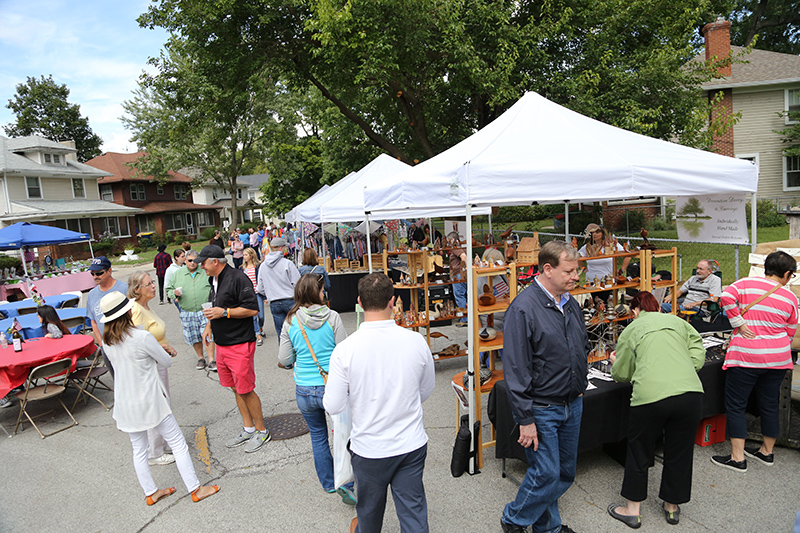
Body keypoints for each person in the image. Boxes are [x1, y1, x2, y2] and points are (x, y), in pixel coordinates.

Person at [324, 273, 435, 533]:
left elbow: (333, 405)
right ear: (393, 301)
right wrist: (402, 403)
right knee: (413, 512)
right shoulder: (416, 341)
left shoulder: (345, 350)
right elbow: (426, 388)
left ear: (359, 303)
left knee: (369, 515)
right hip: (410, 442)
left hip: (369, 447)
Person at [98, 291, 219, 506]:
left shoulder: (107, 343)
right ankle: (196, 489)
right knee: (178, 443)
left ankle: (151, 492)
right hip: (149, 400)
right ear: (128, 312)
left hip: (125, 403)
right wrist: (162, 349)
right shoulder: (141, 336)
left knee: (139, 449)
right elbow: (166, 361)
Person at [500, 240, 588, 533]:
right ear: (547, 269)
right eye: (570, 271)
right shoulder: (523, 309)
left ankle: (548, 527)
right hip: (542, 407)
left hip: (572, 403)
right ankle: (513, 519)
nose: (576, 276)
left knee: (564, 472)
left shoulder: (570, 303)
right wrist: (525, 419)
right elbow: (515, 368)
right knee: (547, 473)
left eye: (577, 270)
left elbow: (579, 344)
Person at [606, 291, 705, 528]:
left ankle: (632, 510)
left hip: (651, 397)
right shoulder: (677, 321)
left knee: (639, 449)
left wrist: (613, 363)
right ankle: (672, 506)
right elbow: (698, 351)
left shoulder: (633, 328)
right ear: (659, 308)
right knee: (680, 451)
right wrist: (682, 368)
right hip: (689, 393)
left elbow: (622, 373)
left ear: (635, 312)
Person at [711, 251, 799, 472]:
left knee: (736, 404)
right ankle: (766, 452)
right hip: (778, 360)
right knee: (770, 404)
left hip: (746, 357)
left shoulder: (745, 283)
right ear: (787, 274)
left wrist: (739, 322)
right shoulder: (790, 298)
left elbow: (726, 297)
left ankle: (737, 457)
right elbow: (790, 330)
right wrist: (776, 345)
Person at [278, 274, 356, 505]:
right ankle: (348, 483)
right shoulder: (332, 317)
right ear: (316, 292)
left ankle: (328, 483)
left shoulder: (291, 320)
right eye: (322, 291)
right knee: (342, 435)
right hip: (331, 386)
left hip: (304, 387)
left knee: (318, 435)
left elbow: (284, 358)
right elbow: (343, 352)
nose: (324, 294)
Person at [198, 245, 270, 453]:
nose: (201, 266)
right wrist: (209, 325)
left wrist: (225, 313)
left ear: (215, 261)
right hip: (222, 342)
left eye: (203, 262)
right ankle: (248, 428)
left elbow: (252, 309)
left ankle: (261, 431)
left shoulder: (238, 278)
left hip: (240, 342)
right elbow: (215, 307)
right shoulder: (214, 279)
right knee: (235, 388)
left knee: (245, 389)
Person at [128, 271, 179, 467]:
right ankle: (154, 451)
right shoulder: (136, 310)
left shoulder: (145, 307)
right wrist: (162, 349)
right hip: (151, 365)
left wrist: (164, 348)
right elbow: (137, 342)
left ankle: (161, 444)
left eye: (151, 283)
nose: (153, 287)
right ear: (137, 290)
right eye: (148, 284)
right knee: (157, 406)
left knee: (163, 403)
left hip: (158, 360)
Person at [167, 249, 217, 371]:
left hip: (205, 310)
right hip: (187, 311)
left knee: (208, 335)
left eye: (195, 261)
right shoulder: (178, 274)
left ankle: (211, 360)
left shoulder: (205, 271)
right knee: (194, 336)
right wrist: (174, 293)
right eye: (189, 260)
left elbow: (215, 286)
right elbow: (168, 290)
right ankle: (200, 358)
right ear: (185, 260)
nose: (192, 263)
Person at [87, 256, 128, 376]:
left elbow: (134, 314)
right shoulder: (92, 294)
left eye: (99, 273)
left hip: (125, 341)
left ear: (109, 271)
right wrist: (101, 343)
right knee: (117, 378)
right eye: (92, 274)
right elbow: (93, 321)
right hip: (106, 344)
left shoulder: (123, 288)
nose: (95, 277)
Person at [257, 237, 301, 341]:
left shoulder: (263, 266)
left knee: (281, 333)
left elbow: (260, 288)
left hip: (275, 302)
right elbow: (298, 283)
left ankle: (284, 354)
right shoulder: (287, 263)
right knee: (295, 330)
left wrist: (269, 292)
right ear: (281, 248)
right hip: (290, 300)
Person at [241, 247, 265, 346]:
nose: (244, 257)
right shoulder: (242, 268)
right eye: (243, 255)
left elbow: (262, 281)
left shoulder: (257, 267)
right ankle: (258, 335)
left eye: (246, 255)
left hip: (258, 293)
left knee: (261, 316)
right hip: (248, 296)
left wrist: (265, 295)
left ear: (251, 255)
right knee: (253, 317)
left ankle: (260, 327)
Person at [447, 230, 468, 326]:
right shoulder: (463, 246)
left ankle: (464, 319)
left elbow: (463, 257)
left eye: (448, 241)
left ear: (452, 239)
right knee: (466, 295)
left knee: (460, 296)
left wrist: (465, 267)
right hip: (462, 274)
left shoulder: (456, 247)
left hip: (459, 274)